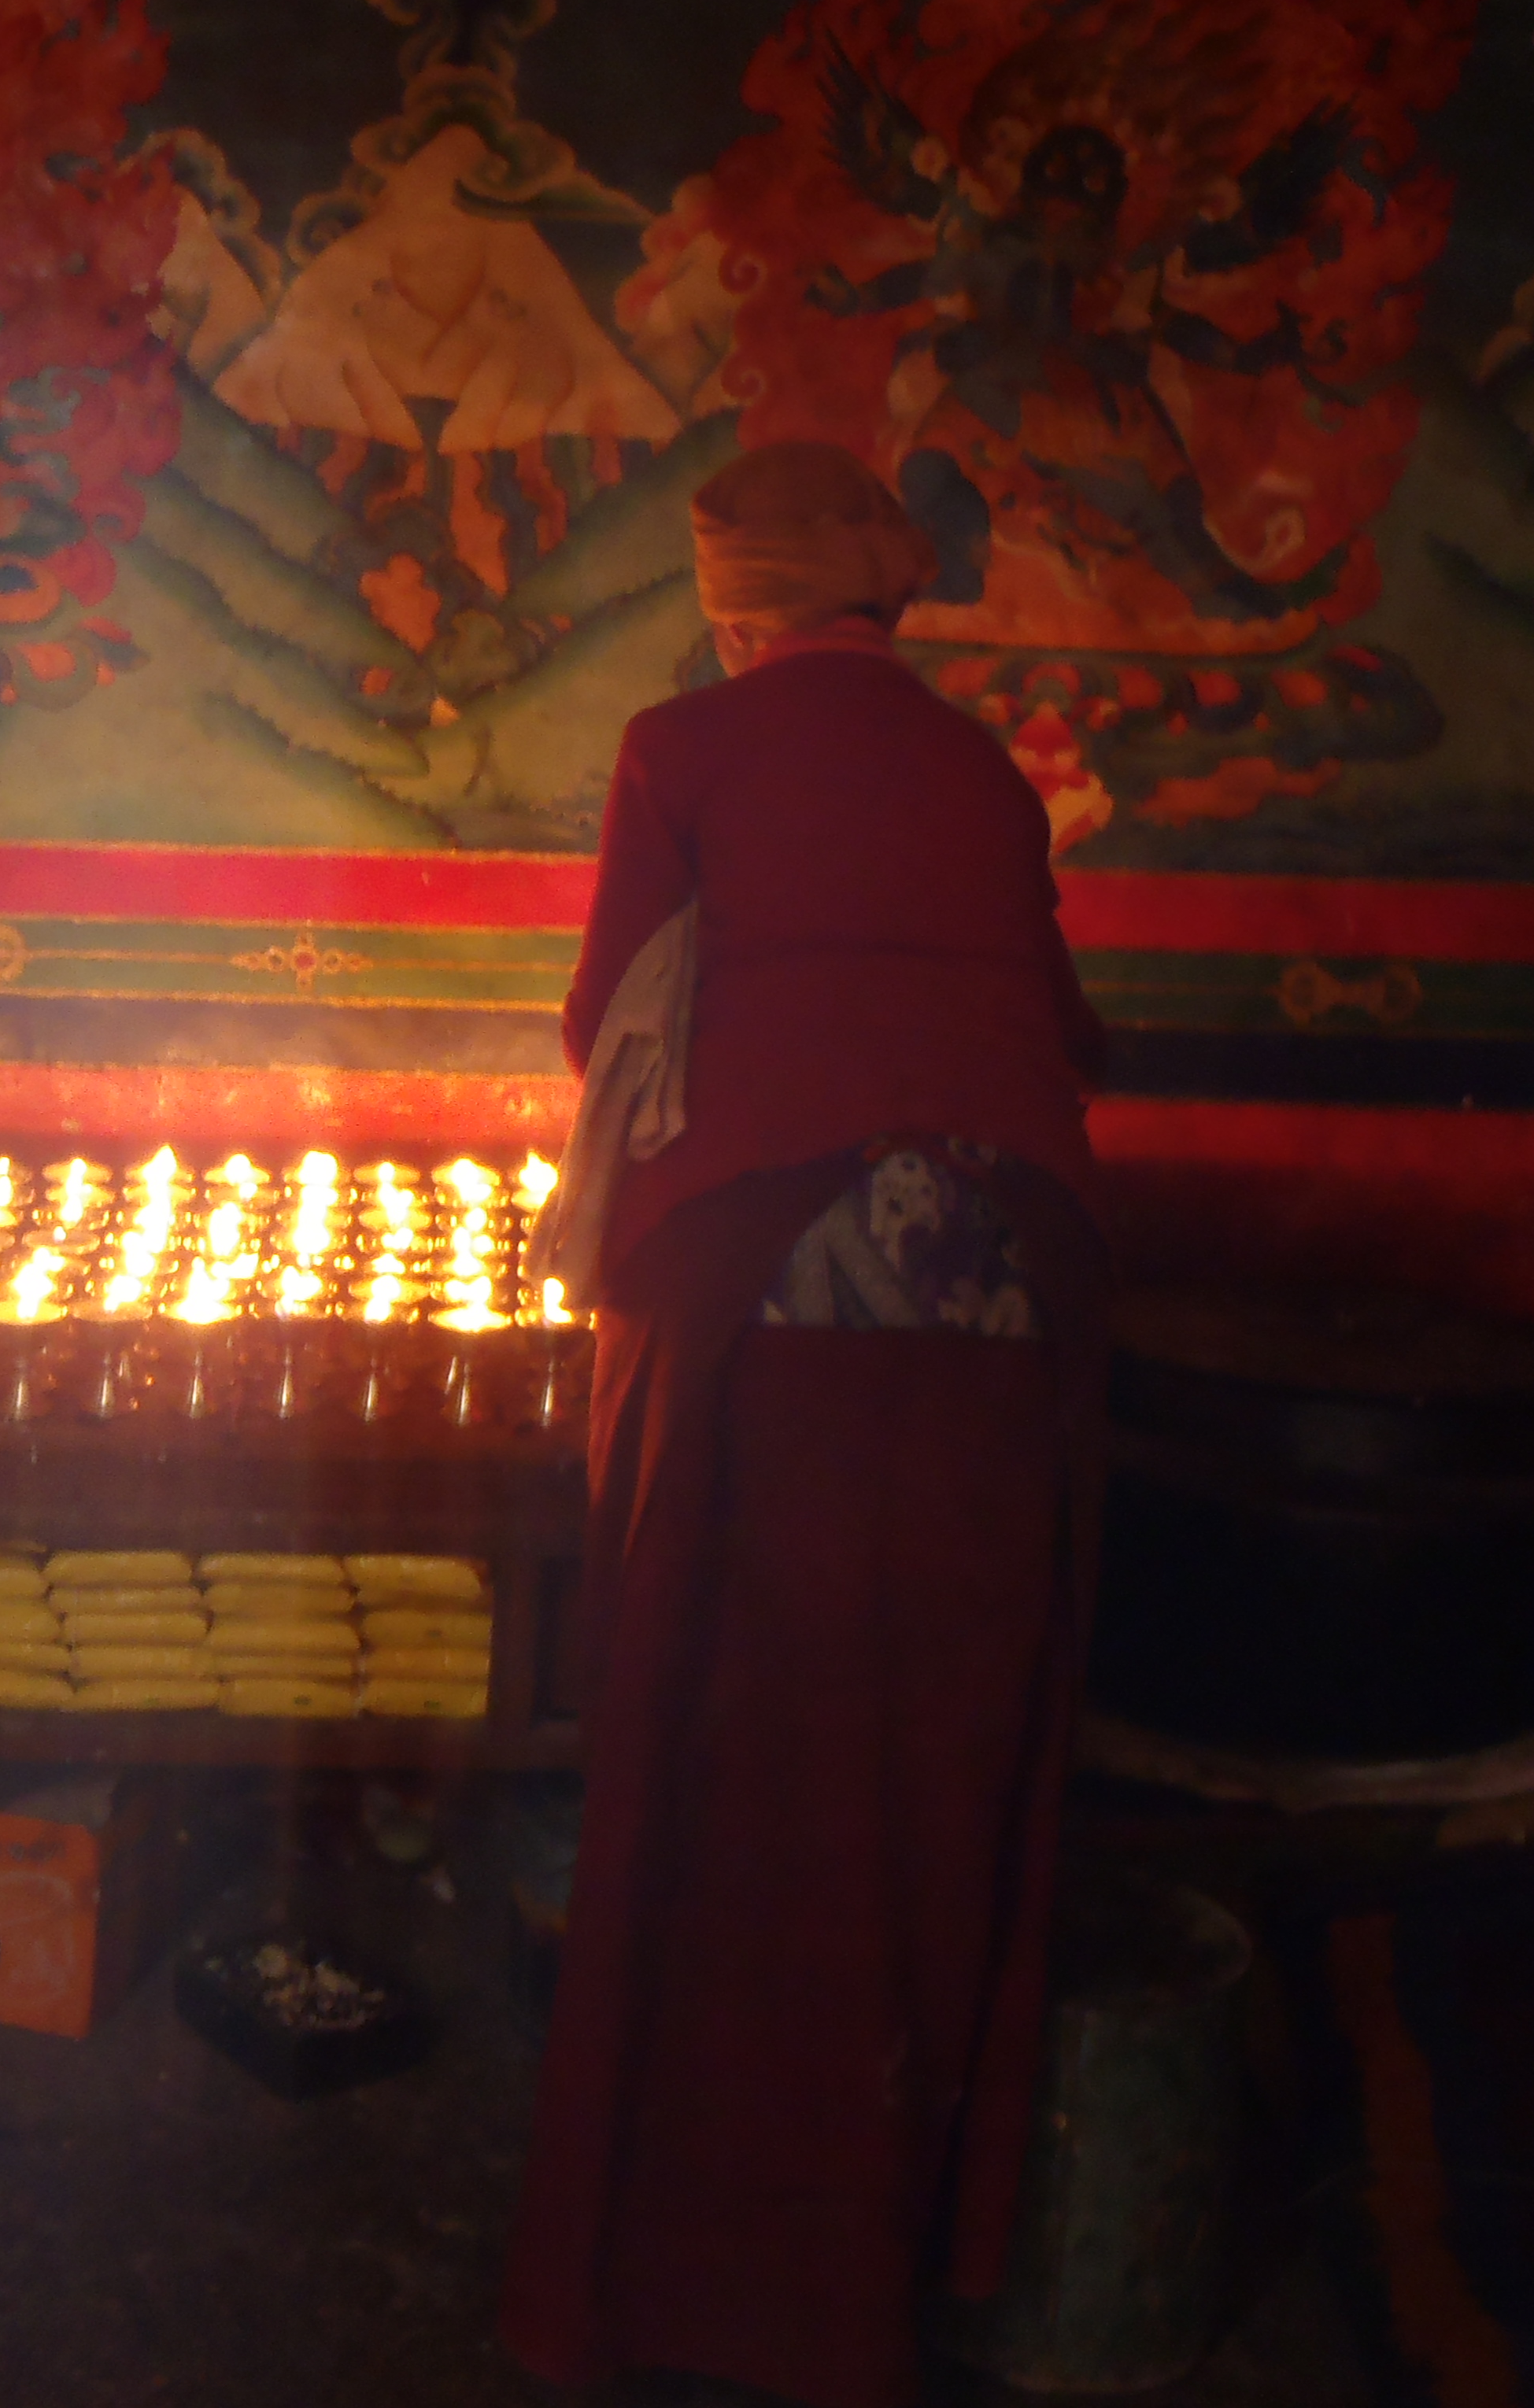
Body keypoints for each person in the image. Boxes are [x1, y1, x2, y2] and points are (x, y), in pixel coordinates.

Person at [500, 440, 1111, 2407]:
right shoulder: (985, 772)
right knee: (938, 1758)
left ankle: (689, 2274)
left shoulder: (681, 747)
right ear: (875, 593)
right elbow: (1060, 1032)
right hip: (1014, 1299)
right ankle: (909, 2254)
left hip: (761, 1299)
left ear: (731, 605)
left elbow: (607, 1020)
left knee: (719, 1742)